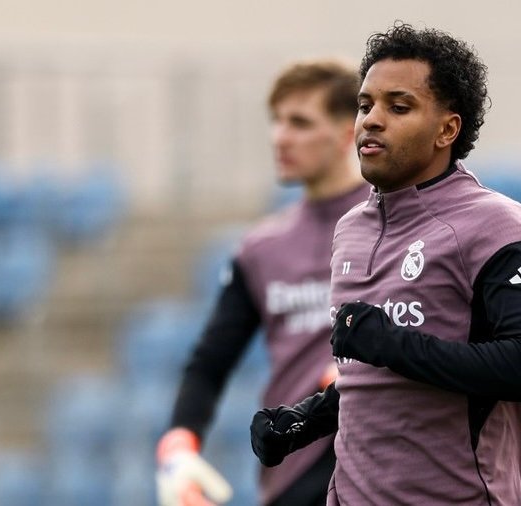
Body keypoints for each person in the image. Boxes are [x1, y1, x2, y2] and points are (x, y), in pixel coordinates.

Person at [250, 23, 521, 505]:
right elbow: (378, 377)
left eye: (398, 107)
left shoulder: (493, 225)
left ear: (448, 128)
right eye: (365, 106)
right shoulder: (352, 230)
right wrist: (305, 420)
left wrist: (394, 343)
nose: (372, 120)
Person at [156, 59, 369, 506]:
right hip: (289, 469)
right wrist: (178, 447)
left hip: (372, 459)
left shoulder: (396, 225)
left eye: (300, 123)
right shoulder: (261, 249)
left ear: (347, 132)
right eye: (276, 122)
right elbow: (209, 363)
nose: (280, 137)